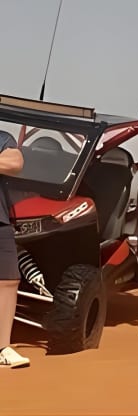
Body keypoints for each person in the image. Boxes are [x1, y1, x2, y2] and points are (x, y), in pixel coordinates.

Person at [0, 130, 30, 368]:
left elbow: (15, 162)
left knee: (8, 280)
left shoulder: (2, 137)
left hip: (0, 220)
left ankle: (3, 348)